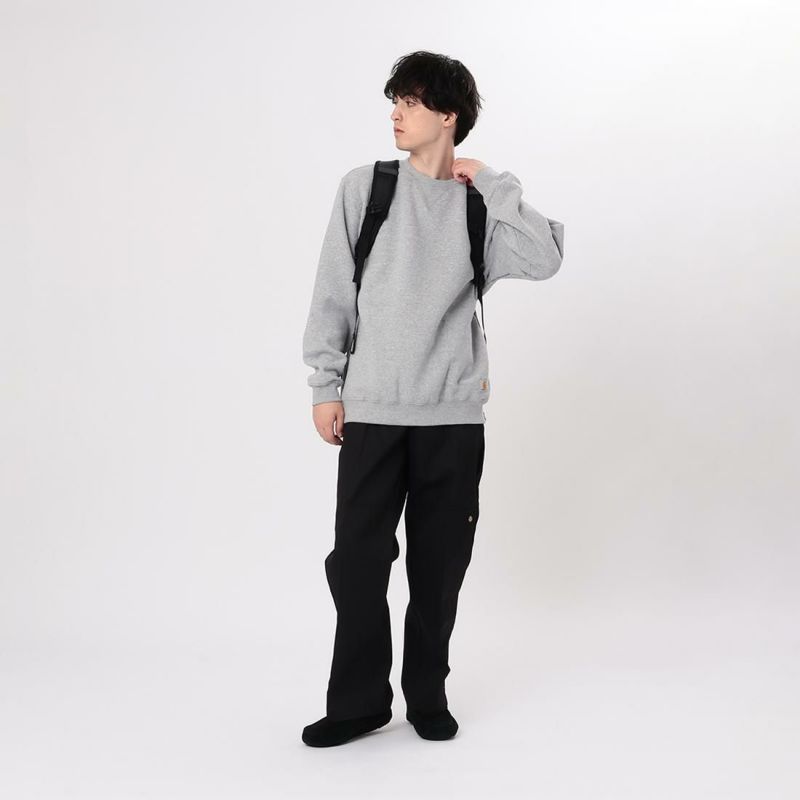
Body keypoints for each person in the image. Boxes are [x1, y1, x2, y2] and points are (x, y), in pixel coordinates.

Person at [301, 50, 565, 747]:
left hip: (451, 417)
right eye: (395, 100)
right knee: (357, 564)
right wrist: (326, 384)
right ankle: (358, 703)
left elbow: (546, 257)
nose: (396, 113)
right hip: (372, 410)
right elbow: (333, 290)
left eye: (411, 101)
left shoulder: (479, 206)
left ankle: (426, 695)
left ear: (448, 116)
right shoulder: (367, 188)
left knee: (439, 567)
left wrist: (495, 182)